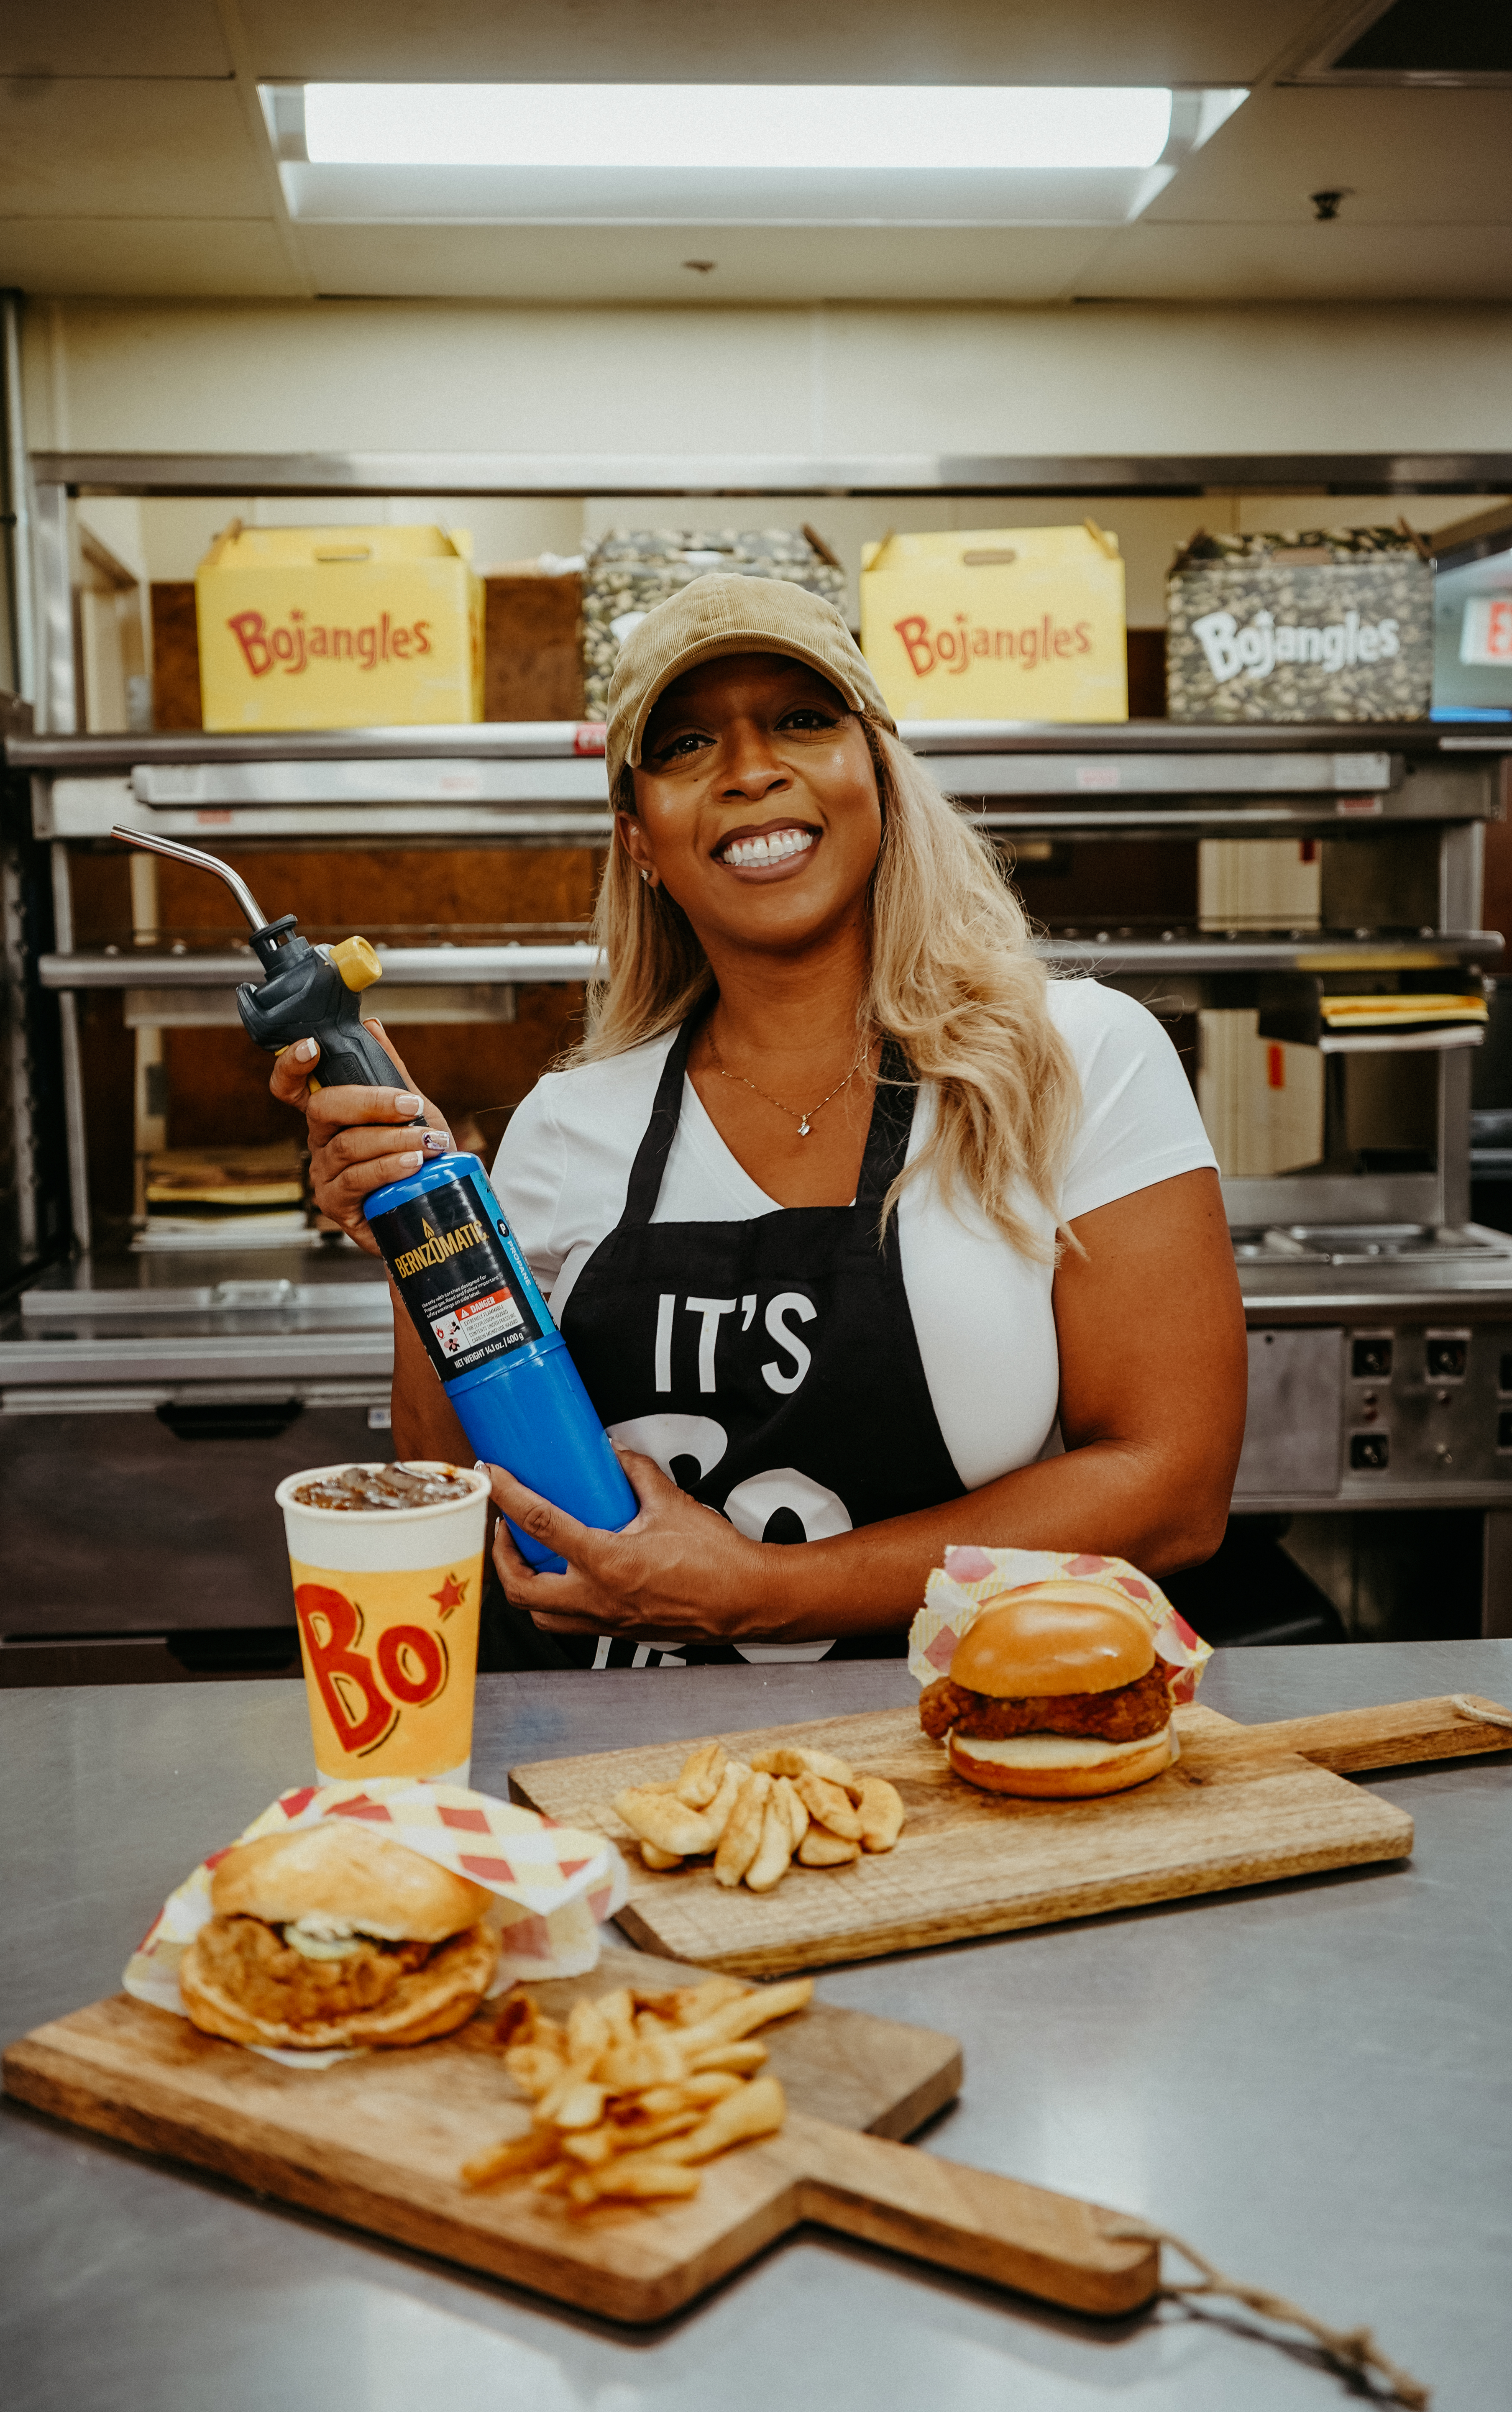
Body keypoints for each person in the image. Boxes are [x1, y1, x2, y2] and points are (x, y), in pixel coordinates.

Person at [273, 574, 1247, 1667]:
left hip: (959, 1766)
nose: (749, 770)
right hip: (631, 1788)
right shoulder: (567, 1129)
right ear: (638, 836)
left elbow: (1172, 1491)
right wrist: (422, 1228)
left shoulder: (1071, 1062)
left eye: (801, 720)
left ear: (878, 770)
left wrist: (761, 1592)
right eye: (687, 745)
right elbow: (473, 1504)